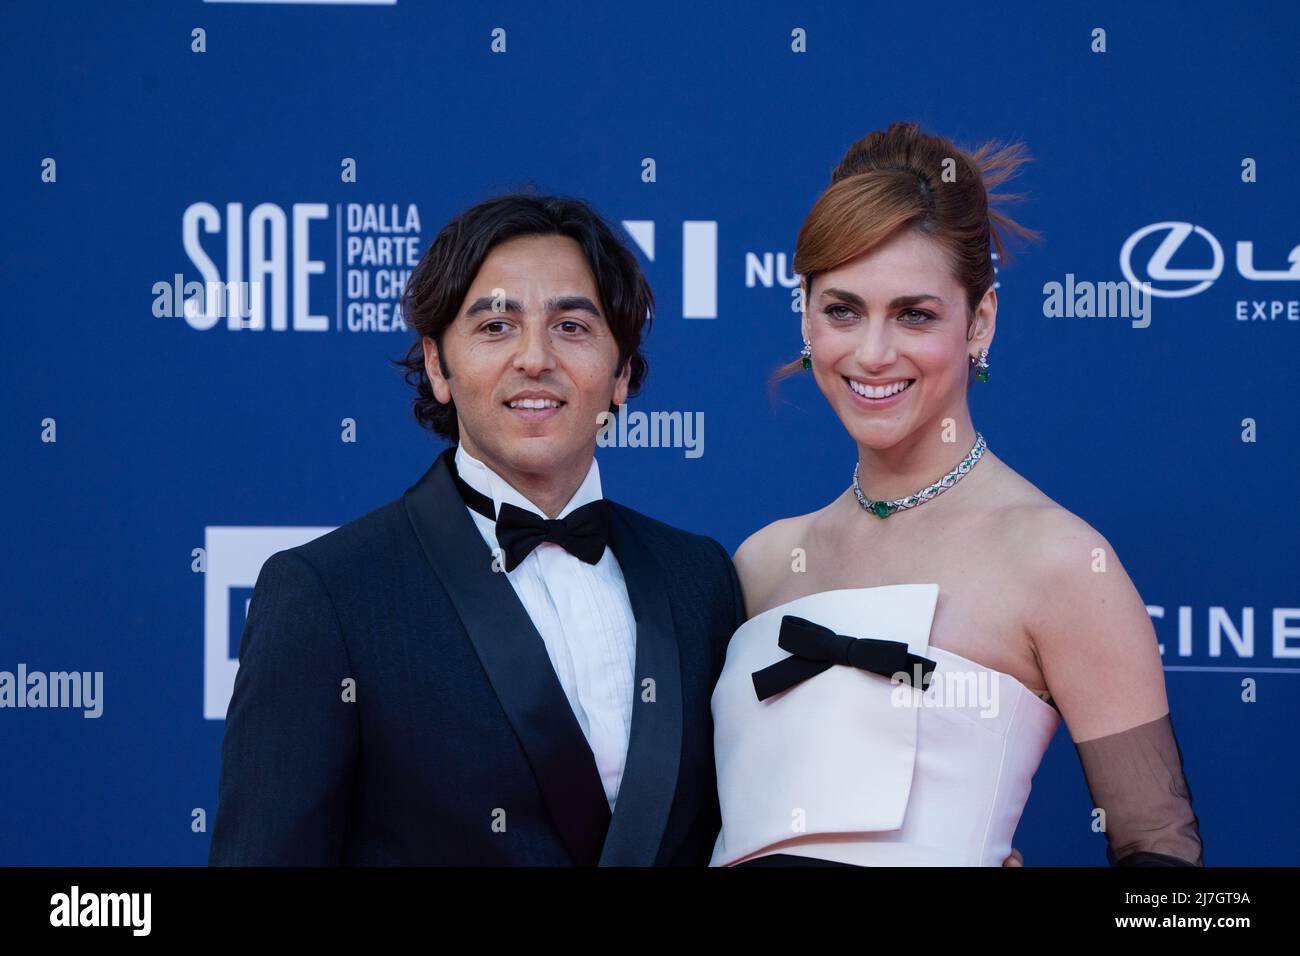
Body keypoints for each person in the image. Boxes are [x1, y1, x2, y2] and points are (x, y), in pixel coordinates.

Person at [709, 122, 1204, 867]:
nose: (873, 353)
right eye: (842, 310)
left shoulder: (1060, 562)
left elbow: (1163, 863)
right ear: (805, 318)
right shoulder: (761, 562)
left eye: (915, 314)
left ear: (980, 322)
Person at [209, 192, 743, 865]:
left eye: (572, 327)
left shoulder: (701, 580)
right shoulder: (329, 593)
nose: (534, 358)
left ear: (622, 374)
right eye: (496, 327)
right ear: (437, 365)